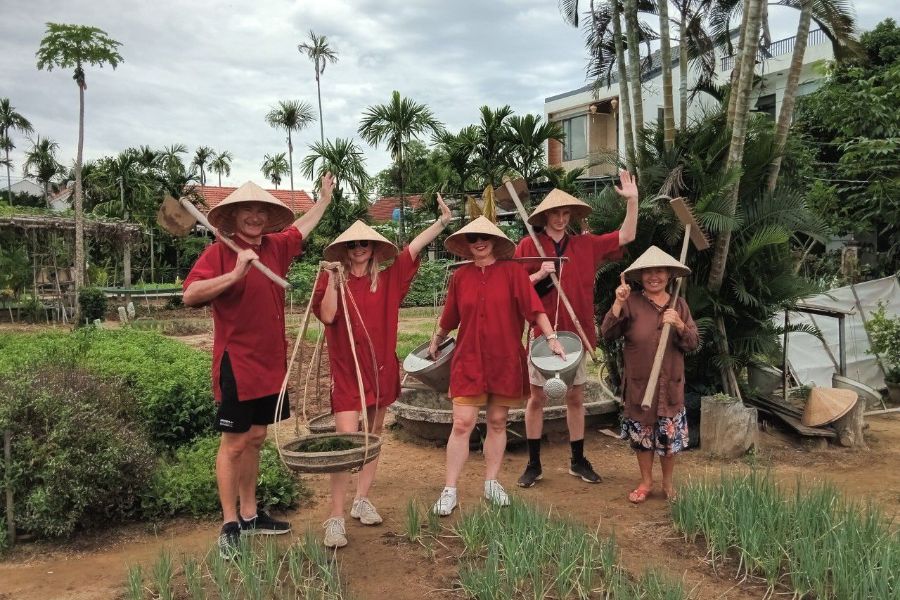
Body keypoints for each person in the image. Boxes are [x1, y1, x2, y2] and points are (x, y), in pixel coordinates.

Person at [183, 174, 335, 558]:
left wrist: (324, 200)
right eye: (246, 210)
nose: (254, 216)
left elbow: (301, 228)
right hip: (238, 363)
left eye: (260, 210)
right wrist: (235, 273)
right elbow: (190, 295)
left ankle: (251, 515)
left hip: (271, 362)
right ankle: (229, 523)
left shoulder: (275, 247)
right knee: (233, 444)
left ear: (268, 219)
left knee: (255, 439)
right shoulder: (219, 252)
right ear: (231, 218)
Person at [312, 196, 452, 549]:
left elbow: (412, 249)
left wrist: (441, 223)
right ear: (344, 250)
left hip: (382, 369)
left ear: (374, 249)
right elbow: (328, 316)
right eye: (352, 244)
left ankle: (362, 498)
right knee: (346, 444)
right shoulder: (331, 280)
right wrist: (331, 280)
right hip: (347, 374)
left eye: (365, 243)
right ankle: (335, 516)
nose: (359, 248)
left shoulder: (388, 280)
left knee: (372, 438)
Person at [429, 216, 566, 516]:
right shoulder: (460, 277)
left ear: (494, 241)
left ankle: (491, 483)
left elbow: (534, 308)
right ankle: (450, 489)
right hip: (468, 360)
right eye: (473, 238)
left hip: (504, 360)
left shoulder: (513, 273)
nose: (478, 242)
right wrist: (436, 339)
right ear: (467, 243)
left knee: (497, 422)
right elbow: (450, 317)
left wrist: (552, 338)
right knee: (462, 423)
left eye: (484, 237)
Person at [514, 172, 639, 488]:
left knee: (575, 397)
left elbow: (625, 236)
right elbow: (512, 289)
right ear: (543, 216)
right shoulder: (529, 245)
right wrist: (539, 274)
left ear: (571, 215)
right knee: (537, 398)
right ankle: (533, 464)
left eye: (564, 212)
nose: (559, 218)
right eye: (554, 213)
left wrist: (633, 200)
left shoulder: (585, 245)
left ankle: (578, 460)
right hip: (543, 335)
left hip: (577, 334)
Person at [599, 246, 699, 503]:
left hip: (671, 386)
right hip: (640, 385)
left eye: (660, 271)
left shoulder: (679, 305)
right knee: (642, 437)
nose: (654, 276)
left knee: (668, 438)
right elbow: (608, 334)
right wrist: (618, 302)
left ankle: (668, 484)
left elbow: (693, 343)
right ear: (641, 276)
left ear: (669, 275)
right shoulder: (631, 304)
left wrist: (677, 323)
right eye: (648, 272)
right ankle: (646, 481)